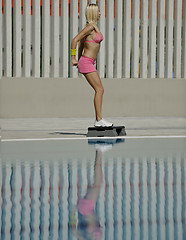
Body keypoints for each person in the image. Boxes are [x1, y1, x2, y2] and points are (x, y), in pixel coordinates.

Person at [71, 4, 113, 127]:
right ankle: (99, 120)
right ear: (93, 13)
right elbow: (75, 40)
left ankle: (99, 119)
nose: (100, 13)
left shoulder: (93, 28)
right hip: (87, 62)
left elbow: (82, 45)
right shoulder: (89, 28)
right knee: (99, 89)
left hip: (87, 62)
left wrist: (78, 59)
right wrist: (73, 58)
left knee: (99, 89)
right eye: (98, 11)